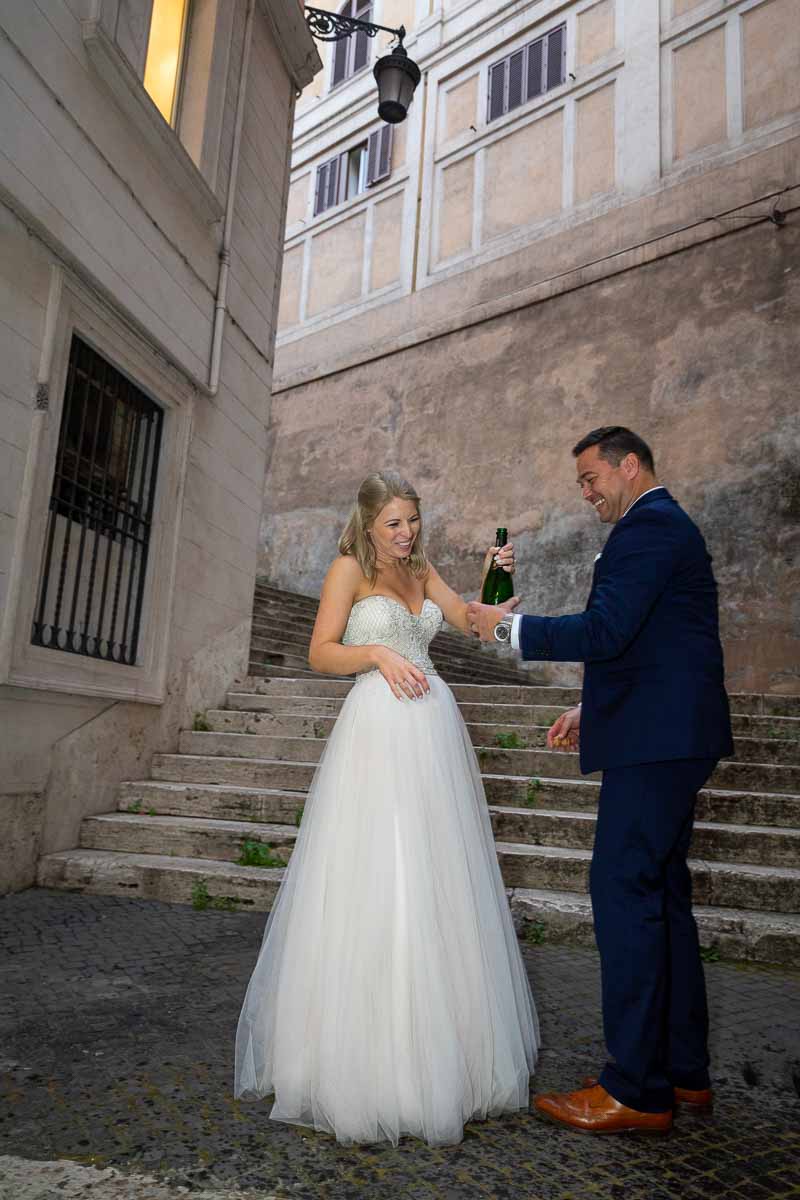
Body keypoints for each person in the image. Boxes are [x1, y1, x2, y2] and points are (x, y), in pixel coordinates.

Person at [235, 471, 539, 1147]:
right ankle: (359, 1064)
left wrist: (494, 594)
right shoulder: (349, 568)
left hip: (433, 731)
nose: (407, 534)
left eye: (414, 521)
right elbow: (320, 652)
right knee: (373, 876)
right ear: (369, 524)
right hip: (376, 731)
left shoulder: (422, 568)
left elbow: (468, 624)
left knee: (437, 882)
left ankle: (444, 1058)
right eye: (395, 524)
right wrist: (374, 652)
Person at [467, 426, 733, 1135]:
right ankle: (681, 1073)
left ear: (630, 464)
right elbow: (656, 642)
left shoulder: (648, 529)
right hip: (668, 731)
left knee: (622, 894)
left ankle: (636, 1089)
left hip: (658, 743)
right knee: (663, 896)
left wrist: (507, 630)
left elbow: (607, 629)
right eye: (580, 483)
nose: (585, 493)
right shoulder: (662, 528)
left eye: (591, 478)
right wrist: (595, 705)